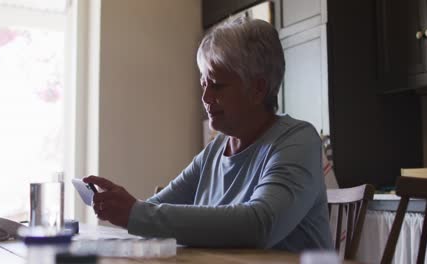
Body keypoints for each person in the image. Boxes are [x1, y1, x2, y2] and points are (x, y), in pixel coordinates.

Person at [83, 17, 333, 251]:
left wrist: (136, 214)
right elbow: (152, 210)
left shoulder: (297, 140)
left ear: (258, 89)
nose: (205, 98)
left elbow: (260, 224)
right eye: (204, 84)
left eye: (217, 85)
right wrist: (123, 207)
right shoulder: (215, 150)